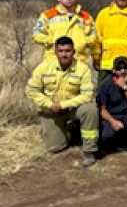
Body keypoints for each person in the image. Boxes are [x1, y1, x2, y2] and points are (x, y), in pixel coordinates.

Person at [25, 36, 99, 167]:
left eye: (67, 51)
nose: (64, 54)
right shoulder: (44, 67)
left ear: (74, 52)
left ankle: (89, 150)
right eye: (61, 51)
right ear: (55, 52)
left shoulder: (83, 69)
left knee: (90, 109)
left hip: (72, 110)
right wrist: (50, 104)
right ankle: (69, 131)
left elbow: (87, 95)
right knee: (55, 147)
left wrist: (64, 104)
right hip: (51, 111)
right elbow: (31, 90)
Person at [33, 0, 98, 67]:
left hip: (79, 64)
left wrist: (84, 42)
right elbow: (37, 35)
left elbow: (94, 36)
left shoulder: (85, 16)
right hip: (54, 63)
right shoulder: (47, 15)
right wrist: (52, 41)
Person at [96, 56, 127, 152]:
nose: (123, 71)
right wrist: (112, 121)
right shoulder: (106, 83)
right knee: (107, 137)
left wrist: (125, 87)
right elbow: (102, 109)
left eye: (126, 68)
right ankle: (119, 143)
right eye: (119, 69)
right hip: (113, 116)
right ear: (113, 71)